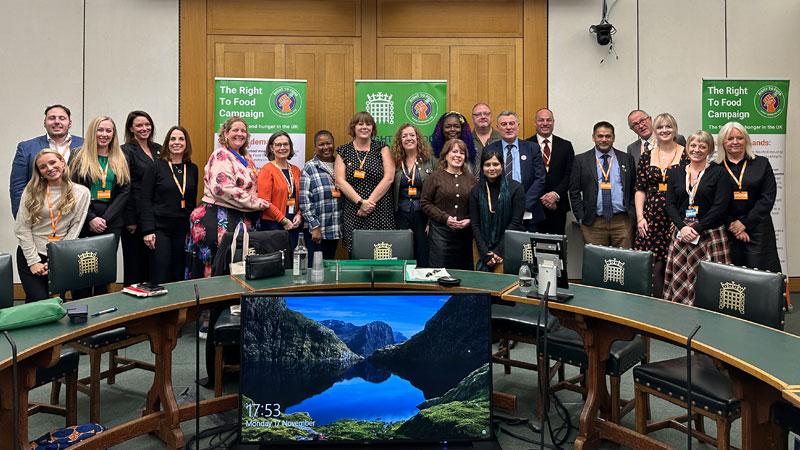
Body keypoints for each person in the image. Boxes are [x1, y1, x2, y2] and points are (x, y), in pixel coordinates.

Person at [187, 116, 269, 278]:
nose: (240, 134)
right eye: (235, 130)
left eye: (243, 131)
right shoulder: (220, 155)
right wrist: (256, 203)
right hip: (216, 219)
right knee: (214, 267)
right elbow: (221, 188)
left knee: (234, 268)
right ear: (225, 133)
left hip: (238, 218)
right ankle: (210, 303)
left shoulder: (247, 157)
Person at [663, 131, 731, 305]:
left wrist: (697, 228)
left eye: (702, 146)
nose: (697, 149)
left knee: (710, 283)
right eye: (693, 145)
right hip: (682, 234)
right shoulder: (675, 172)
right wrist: (682, 227)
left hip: (709, 234)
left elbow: (720, 206)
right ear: (687, 148)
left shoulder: (719, 173)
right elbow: (669, 204)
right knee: (680, 280)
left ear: (709, 150)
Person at [14, 149, 90, 302]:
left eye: (52, 162)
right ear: (39, 172)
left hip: (61, 253)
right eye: (43, 167)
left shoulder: (82, 192)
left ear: (62, 162)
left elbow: (75, 228)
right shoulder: (31, 191)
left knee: (60, 302)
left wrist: (57, 259)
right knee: (38, 301)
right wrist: (34, 261)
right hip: (31, 252)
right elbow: (22, 228)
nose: (49, 168)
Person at [70, 116, 131, 298]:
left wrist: (105, 219)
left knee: (103, 272)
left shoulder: (121, 157)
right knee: (82, 270)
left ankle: (102, 318)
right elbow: (72, 189)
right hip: (84, 219)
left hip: (111, 222)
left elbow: (125, 190)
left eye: (108, 131)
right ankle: (81, 314)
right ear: (92, 132)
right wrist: (91, 218)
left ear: (113, 134)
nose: (104, 134)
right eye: (100, 130)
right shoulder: (78, 155)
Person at [633, 113, 686, 297]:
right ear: (655, 131)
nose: (664, 130)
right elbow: (640, 189)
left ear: (675, 130)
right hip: (650, 219)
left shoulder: (686, 154)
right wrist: (640, 218)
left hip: (676, 219)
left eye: (668, 127)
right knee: (651, 268)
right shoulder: (646, 156)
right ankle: (651, 308)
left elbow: (691, 190)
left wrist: (680, 220)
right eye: (660, 127)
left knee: (673, 265)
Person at [717, 121, 781, 272]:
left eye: (739, 138)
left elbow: (767, 198)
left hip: (758, 229)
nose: (735, 142)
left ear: (746, 140)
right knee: (732, 278)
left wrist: (744, 223)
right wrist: (734, 226)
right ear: (722, 142)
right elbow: (715, 202)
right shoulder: (716, 167)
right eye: (730, 138)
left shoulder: (762, 163)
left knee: (761, 276)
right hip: (728, 230)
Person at [139, 126, 198, 284]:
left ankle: (175, 308)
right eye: (173, 139)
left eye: (181, 139)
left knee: (179, 272)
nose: (176, 142)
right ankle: (161, 308)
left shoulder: (192, 169)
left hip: (183, 229)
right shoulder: (156, 166)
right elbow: (144, 200)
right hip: (160, 228)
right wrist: (148, 230)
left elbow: (192, 201)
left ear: (186, 144)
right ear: (167, 143)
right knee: (161, 271)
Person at [334, 111, 395, 253]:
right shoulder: (343, 151)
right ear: (353, 127)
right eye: (360, 124)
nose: (364, 127)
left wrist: (369, 203)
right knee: (357, 253)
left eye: (368, 124)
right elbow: (340, 181)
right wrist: (361, 203)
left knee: (382, 252)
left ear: (373, 128)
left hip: (380, 210)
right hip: (355, 210)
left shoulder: (382, 148)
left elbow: (389, 178)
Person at [569, 121, 636, 248]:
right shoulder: (581, 160)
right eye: (600, 136)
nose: (604, 139)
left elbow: (634, 188)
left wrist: (632, 213)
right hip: (593, 222)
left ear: (613, 138)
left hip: (622, 221)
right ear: (593, 137)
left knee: (623, 262)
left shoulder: (626, 159)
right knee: (597, 263)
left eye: (608, 136)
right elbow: (574, 191)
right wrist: (580, 217)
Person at [11, 104, 84, 218]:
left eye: (62, 118)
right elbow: (18, 186)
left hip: (77, 210)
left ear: (69, 123)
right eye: (52, 118)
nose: (56, 122)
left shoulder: (85, 145)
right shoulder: (26, 148)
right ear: (44, 122)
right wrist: (21, 216)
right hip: (41, 213)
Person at [483, 111, 546, 232]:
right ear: (497, 127)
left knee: (527, 250)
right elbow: (485, 180)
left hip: (528, 212)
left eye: (511, 123)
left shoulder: (532, 148)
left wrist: (522, 204)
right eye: (504, 124)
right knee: (501, 249)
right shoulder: (489, 149)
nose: (508, 127)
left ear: (518, 126)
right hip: (498, 211)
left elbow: (540, 179)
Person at [421, 139, 477, 270]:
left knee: (463, 273)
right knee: (439, 271)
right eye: (454, 151)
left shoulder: (472, 180)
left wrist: (469, 220)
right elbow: (425, 203)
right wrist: (445, 218)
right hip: (440, 233)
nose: (458, 155)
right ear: (445, 155)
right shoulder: (435, 177)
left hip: (464, 236)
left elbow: (477, 206)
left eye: (462, 153)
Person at [121, 110, 162, 286]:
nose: (144, 128)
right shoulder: (126, 151)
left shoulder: (158, 149)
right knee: (134, 265)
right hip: (134, 217)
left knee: (152, 263)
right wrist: (130, 219)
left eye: (147, 124)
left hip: (153, 216)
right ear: (131, 128)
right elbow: (125, 187)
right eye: (139, 125)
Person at [469, 150, 525, 272]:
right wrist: (484, 253)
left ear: (502, 166)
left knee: (503, 286)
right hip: (481, 248)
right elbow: (475, 225)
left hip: (507, 246)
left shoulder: (516, 188)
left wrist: (498, 251)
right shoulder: (475, 191)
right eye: (487, 165)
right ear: (482, 168)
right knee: (481, 285)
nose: (491, 168)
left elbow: (516, 222)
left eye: (495, 164)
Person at [391, 123, 436, 267]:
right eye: (404, 136)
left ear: (418, 138)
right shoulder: (396, 162)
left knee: (423, 251)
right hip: (401, 213)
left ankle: (423, 285)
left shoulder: (430, 161)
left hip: (423, 214)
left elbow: (437, 192)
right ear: (400, 140)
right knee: (403, 250)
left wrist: (431, 221)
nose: (408, 138)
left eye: (412, 135)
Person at [525, 108, 575, 235]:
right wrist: (543, 197)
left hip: (558, 207)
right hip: (533, 206)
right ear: (535, 123)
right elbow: (525, 176)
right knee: (533, 248)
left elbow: (570, 174)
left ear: (553, 122)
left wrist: (555, 194)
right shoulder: (525, 145)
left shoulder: (566, 145)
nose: (545, 123)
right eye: (541, 120)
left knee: (556, 249)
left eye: (549, 120)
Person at [257, 131, 303, 248]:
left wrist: (299, 214)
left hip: (294, 223)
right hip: (273, 224)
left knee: (294, 261)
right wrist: (283, 220)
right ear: (272, 148)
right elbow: (264, 202)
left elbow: (302, 196)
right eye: (278, 145)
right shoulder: (267, 170)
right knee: (277, 262)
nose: (282, 148)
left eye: (286, 144)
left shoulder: (296, 170)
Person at [300, 130, 341, 261]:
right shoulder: (309, 167)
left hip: (335, 228)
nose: (325, 147)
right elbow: (305, 202)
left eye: (328, 143)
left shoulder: (341, 165)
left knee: (329, 266)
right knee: (314, 268)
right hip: (317, 230)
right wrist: (315, 227)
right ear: (315, 147)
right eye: (321, 144)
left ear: (333, 144)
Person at [470, 102, 501, 175]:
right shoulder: (465, 140)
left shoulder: (502, 138)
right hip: (473, 184)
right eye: (478, 114)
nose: (483, 116)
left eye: (486, 114)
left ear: (491, 116)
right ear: (472, 118)